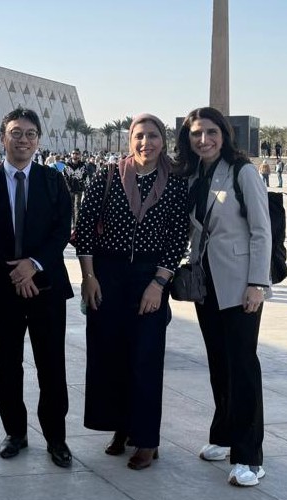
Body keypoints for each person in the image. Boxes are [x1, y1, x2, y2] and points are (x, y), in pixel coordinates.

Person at [74, 113, 189, 470]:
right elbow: (84, 227)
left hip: (149, 276)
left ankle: (147, 439)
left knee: (145, 358)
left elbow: (177, 238)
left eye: (152, 136)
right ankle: (121, 427)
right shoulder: (108, 175)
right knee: (110, 355)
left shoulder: (174, 184)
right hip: (107, 275)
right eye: (139, 136)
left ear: (163, 141)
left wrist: (158, 284)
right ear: (130, 140)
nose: (145, 143)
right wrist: (89, 277)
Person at [0, 108, 74, 468]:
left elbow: (61, 230)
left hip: (47, 287)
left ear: (38, 140)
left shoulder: (53, 181)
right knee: (8, 364)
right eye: (16, 133)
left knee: (51, 364)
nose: (23, 140)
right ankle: (15, 431)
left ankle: (56, 437)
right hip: (4, 288)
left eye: (30, 134)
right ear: (3, 138)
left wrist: (34, 266)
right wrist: (17, 272)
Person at [176, 106, 271, 487]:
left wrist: (257, 283)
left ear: (224, 134)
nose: (204, 140)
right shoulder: (193, 175)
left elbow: (261, 230)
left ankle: (249, 455)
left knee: (243, 365)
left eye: (211, 132)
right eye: (196, 133)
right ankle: (225, 433)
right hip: (207, 284)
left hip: (240, 283)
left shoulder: (242, 172)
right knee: (219, 361)